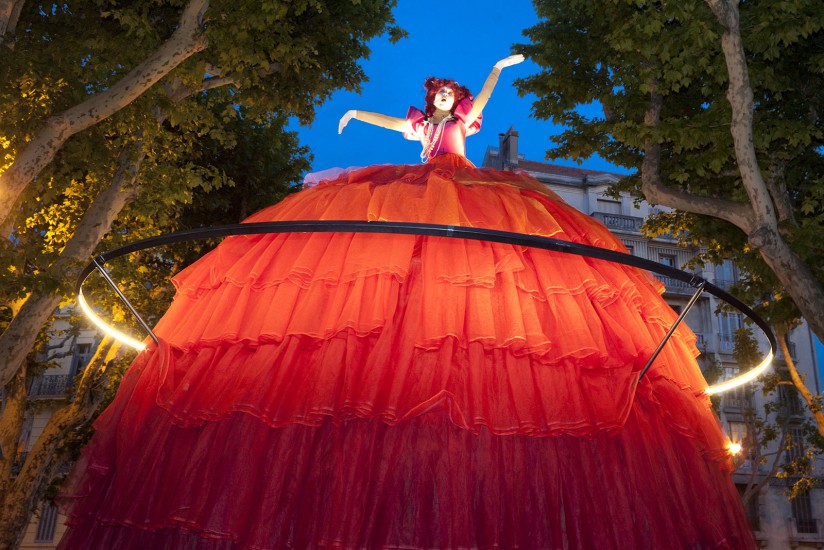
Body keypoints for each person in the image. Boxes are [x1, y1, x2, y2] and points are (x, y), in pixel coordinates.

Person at [57, 56, 755, 549]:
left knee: (473, 309)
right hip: (418, 189)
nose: (448, 107)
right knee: (385, 298)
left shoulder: (467, 118)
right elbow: (387, 121)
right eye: (443, 100)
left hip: (467, 193)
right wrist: (357, 109)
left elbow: (483, 95)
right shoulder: (419, 125)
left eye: (453, 101)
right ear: (434, 102)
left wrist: (500, 73)